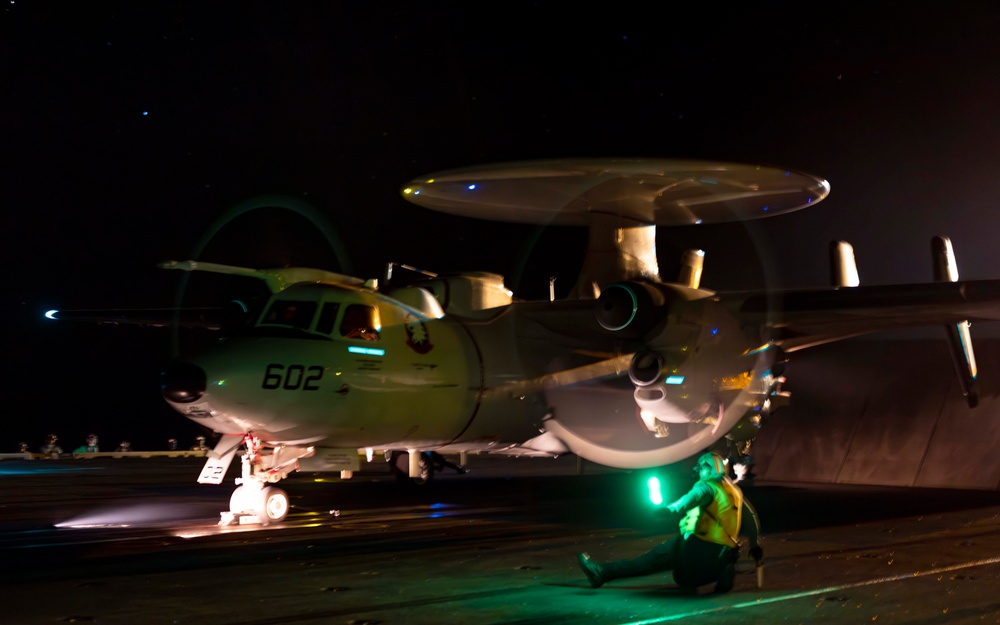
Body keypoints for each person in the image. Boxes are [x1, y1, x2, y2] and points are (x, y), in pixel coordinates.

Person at [577, 451, 762, 593]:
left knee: (660, 567)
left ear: (709, 468)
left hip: (698, 545)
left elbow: (688, 500)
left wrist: (668, 510)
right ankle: (723, 569)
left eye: (701, 467)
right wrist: (755, 546)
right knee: (675, 571)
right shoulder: (734, 491)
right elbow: (751, 517)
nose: (698, 470)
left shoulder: (707, 486)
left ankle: (601, 573)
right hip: (724, 551)